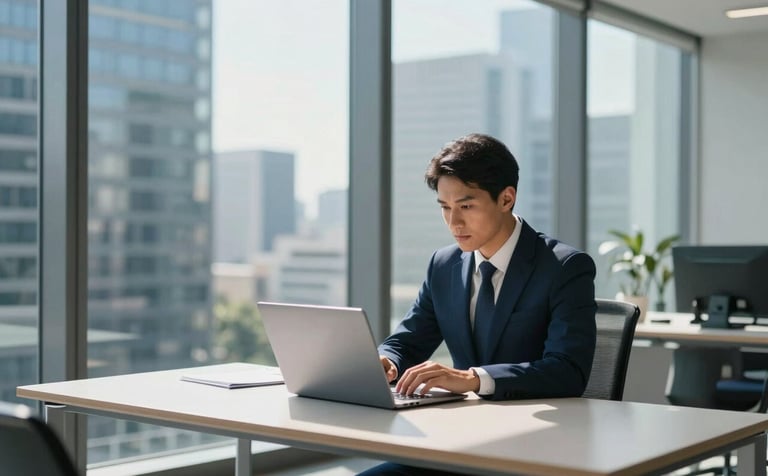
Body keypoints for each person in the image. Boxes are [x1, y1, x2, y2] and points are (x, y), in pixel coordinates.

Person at [359, 133, 596, 476]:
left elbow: (567, 371)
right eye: (445, 207)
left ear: (506, 199)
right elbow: (407, 340)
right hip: (457, 442)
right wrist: (387, 360)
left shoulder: (563, 267)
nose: (454, 222)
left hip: (534, 449)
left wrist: (473, 378)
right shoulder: (443, 265)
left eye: (466, 206)